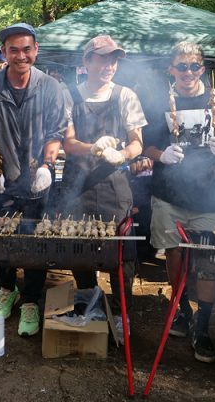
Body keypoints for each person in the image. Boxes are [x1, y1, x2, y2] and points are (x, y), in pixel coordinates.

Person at [141, 41, 215, 363]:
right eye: (181, 66)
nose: (188, 72)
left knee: (208, 260)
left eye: (194, 66)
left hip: (209, 195)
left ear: (202, 69)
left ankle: (204, 325)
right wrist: (161, 155)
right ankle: (181, 309)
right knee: (175, 254)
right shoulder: (159, 103)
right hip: (169, 193)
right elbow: (146, 146)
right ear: (171, 69)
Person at [0, 22, 67, 337]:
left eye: (27, 49)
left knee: (35, 242)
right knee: (2, 239)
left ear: (35, 50)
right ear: (4, 52)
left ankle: (30, 300)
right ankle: (8, 287)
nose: (21, 56)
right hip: (5, 179)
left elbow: (56, 132)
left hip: (38, 181)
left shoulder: (51, 88)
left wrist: (46, 165)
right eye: (14, 50)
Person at [61, 35, 146, 339]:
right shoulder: (69, 96)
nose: (109, 65)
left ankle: (122, 313)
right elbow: (68, 144)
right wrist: (93, 147)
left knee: (122, 253)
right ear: (86, 63)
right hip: (77, 185)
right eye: (102, 59)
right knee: (79, 248)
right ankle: (88, 304)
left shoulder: (125, 96)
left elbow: (137, 142)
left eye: (114, 59)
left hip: (114, 184)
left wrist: (121, 154)